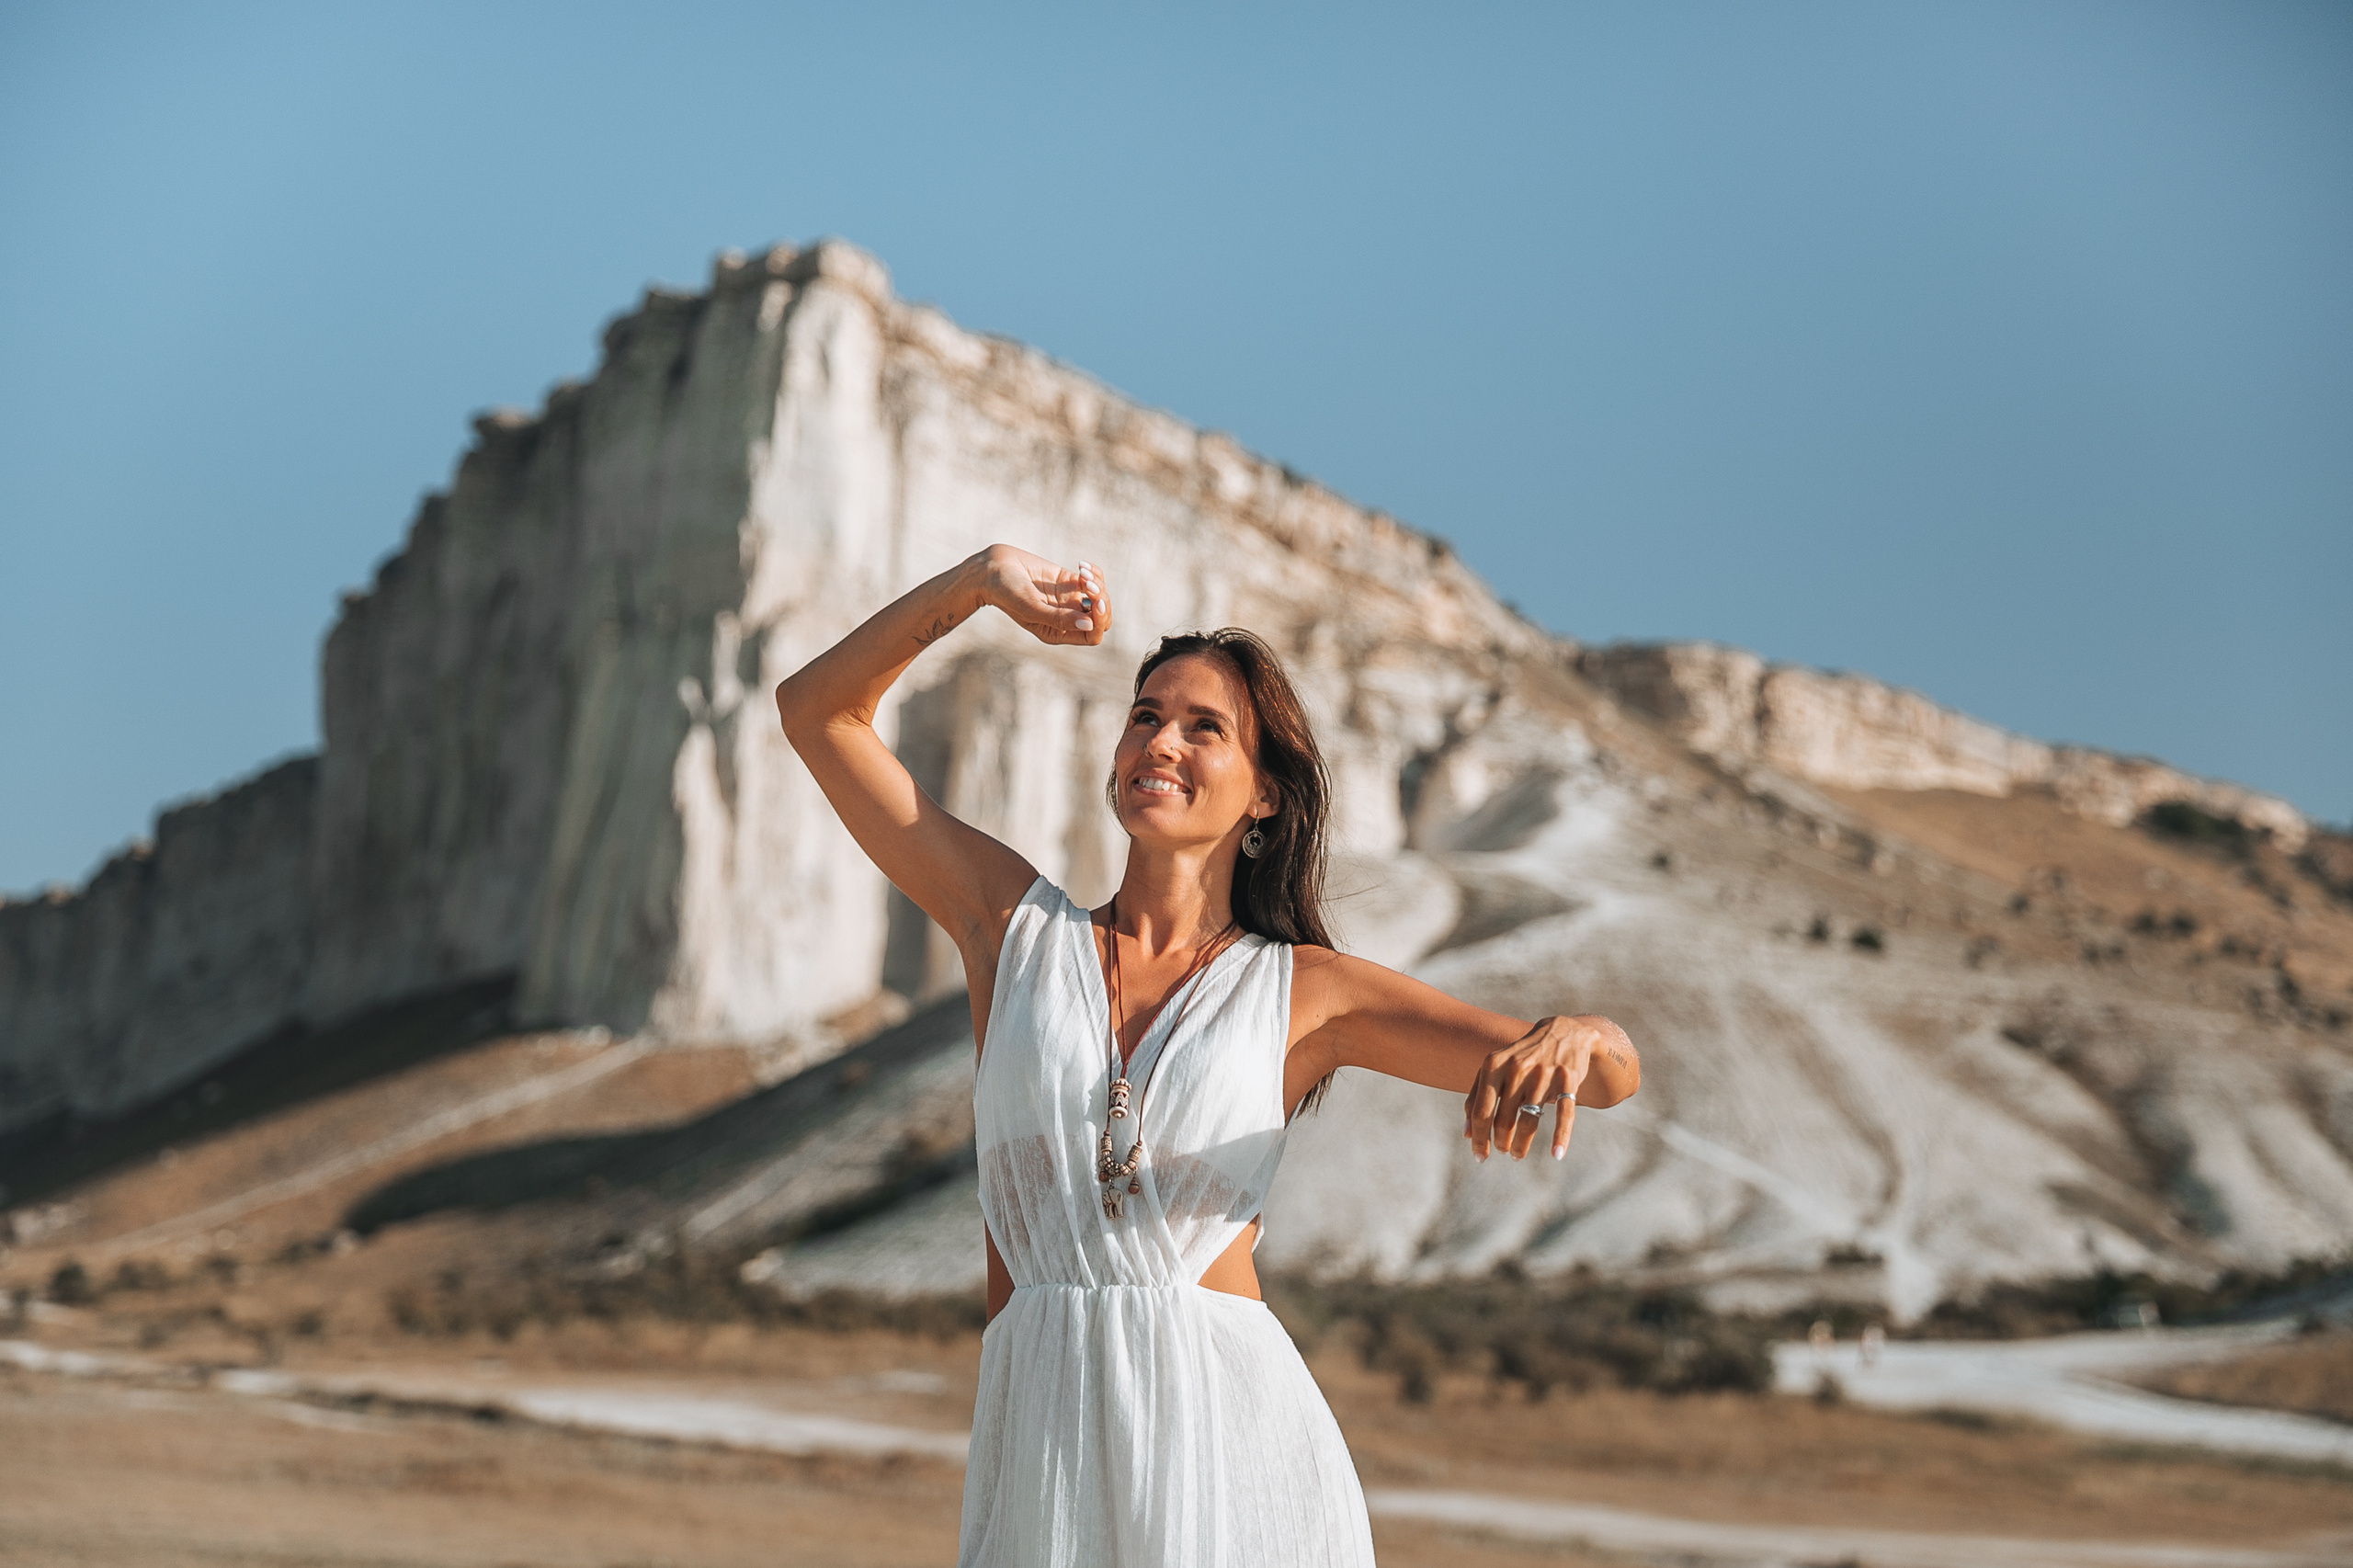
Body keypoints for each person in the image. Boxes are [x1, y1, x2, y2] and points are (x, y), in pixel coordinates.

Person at [776, 544, 1641, 1568]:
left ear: (1264, 795)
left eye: (1203, 726)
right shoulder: (1011, 929)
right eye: (1144, 714)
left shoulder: (1307, 989)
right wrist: (980, 583)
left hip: (1230, 1447)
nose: (1161, 740)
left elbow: (1608, 1074)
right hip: (1039, 1435)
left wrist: (1582, 1031)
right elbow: (816, 711)